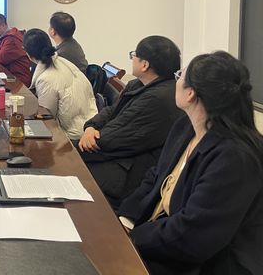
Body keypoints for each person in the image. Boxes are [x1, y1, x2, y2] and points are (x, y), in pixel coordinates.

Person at [118, 51, 263, 274]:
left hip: (204, 263)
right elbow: (156, 176)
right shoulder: (185, 127)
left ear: (190, 94)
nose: (175, 80)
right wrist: (124, 219)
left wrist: (133, 238)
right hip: (164, 239)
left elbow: (193, 234)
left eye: (179, 76)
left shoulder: (234, 158)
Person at [78, 35, 184, 208]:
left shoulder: (157, 98)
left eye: (134, 55)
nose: (132, 58)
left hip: (130, 173)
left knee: (70, 167)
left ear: (145, 64)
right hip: (119, 157)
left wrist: (90, 138)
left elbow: (110, 140)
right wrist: (91, 127)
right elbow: (111, 111)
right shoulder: (138, 84)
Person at [23, 29, 97, 141]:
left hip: (74, 135)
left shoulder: (45, 79)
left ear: (28, 54)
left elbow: (46, 118)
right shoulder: (63, 61)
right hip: (89, 124)